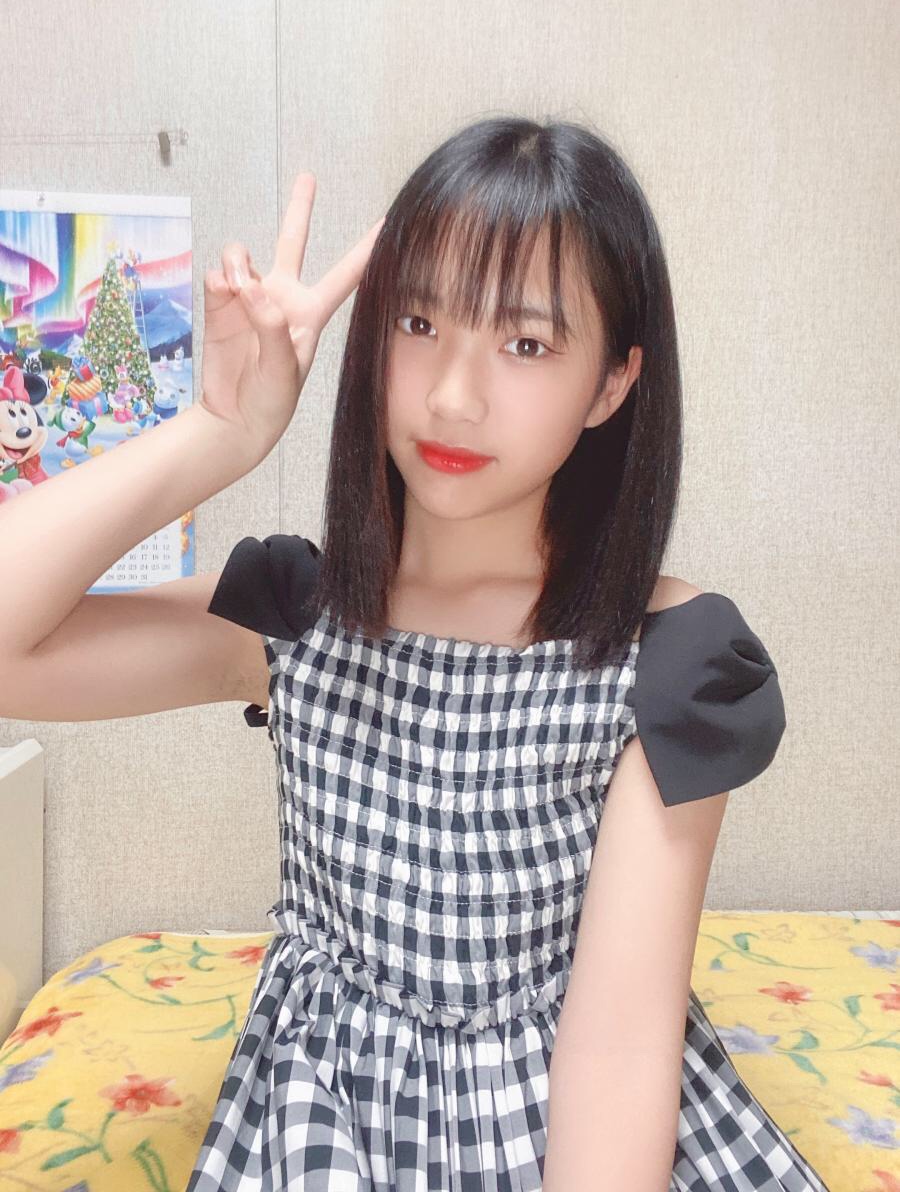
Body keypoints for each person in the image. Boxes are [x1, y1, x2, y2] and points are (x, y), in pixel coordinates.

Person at [0, 117, 832, 1192]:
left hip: (568, 1129)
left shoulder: (668, 660)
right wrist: (217, 432)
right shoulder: (300, 613)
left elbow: (622, 1047)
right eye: (420, 321)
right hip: (323, 1121)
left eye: (526, 344)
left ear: (613, 384)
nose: (452, 395)